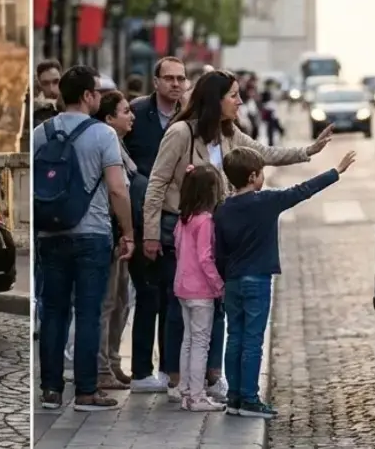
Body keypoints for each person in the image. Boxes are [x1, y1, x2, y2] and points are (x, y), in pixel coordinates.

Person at [141, 70, 335, 402]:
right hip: (182, 227)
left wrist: (309, 151)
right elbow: (156, 184)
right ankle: (176, 376)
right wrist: (150, 234)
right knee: (180, 304)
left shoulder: (230, 134)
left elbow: (265, 154)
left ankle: (211, 374)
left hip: (218, 228)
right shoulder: (180, 133)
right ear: (216, 99)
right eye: (233, 95)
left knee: (215, 303)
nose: (240, 101)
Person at [215, 146, 357, 418]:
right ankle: (249, 399)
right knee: (253, 340)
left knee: (235, 337)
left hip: (232, 281)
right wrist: (335, 172)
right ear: (253, 176)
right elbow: (301, 191)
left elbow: (219, 251)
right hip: (257, 279)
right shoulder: (265, 201)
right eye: (262, 173)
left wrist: (224, 279)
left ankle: (233, 397)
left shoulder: (223, 210)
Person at [35, 66, 135, 412]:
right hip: (92, 233)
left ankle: (50, 390)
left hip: (50, 232)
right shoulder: (103, 135)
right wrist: (129, 233)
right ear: (89, 96)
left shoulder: (41, 132)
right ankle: (86, 392)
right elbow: (118, 190)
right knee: (89, 313)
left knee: (53, 312)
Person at [122, 56, 188, 394]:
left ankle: (169, 368)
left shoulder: (189, 114)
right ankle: (140, 370)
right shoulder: (136, 112)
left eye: (181, 78)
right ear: (156, 81)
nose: (176, 84)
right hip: (142, 217)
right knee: (148, 295)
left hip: (179, 219)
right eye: (170, 78)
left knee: (172, 296)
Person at [92, 90, 137, 390]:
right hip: (110, 232)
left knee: (121, 301)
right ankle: (100, 369)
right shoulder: (107, 142)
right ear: (109, 119)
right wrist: (127, 232)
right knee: (107, 303)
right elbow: (116, 192)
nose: (131, 116)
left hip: (118, 232)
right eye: (125, 111)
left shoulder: (120, 144)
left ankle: (112, 360)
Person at [173, 162, 227, 412]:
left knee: (187, 340)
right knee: (201, 343)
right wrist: (218, 285)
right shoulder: (205, 221)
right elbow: (206, 257)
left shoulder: (184, 218)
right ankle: (196, 395)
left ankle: (185, 390)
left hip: (182, 287)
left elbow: (177, 248)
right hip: (201, 290)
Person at [33, 59, 62, 126]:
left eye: (56, 82)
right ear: (39, 84)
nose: (51, 89)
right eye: (45, 83)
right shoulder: (35, 112)